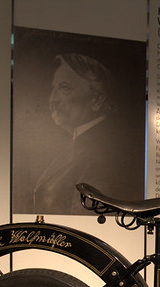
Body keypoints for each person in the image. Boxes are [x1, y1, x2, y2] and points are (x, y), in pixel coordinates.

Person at [32, 53, 140, 214]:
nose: (53, 99)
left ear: (97, 99)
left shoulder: (108, 154)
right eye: (54, 88)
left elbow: (90, 213)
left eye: (64, 88)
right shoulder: (79, 145)